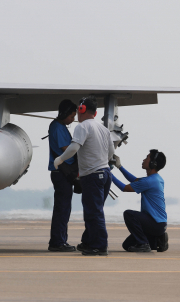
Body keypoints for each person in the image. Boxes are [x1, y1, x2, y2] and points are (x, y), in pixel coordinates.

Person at [54, 96, 114, 256]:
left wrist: (60, 159)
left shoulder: (82, 127)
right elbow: (111, 153)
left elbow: (74, 148)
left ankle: (100, 246)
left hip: (93, 176)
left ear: (82, 109)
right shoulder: (103, 129)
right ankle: (88, 242)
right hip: (106, 173)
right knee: (94, 211)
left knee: (93, 213)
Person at [110, 151, 168, 252]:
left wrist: (108, 173)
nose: (144, 160)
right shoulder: (156, 178)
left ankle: (143, 244)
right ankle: (158, 241)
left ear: (153, 163)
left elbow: (124, 188)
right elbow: (134, 180)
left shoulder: (149, 181)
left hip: (155, 223)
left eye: (147, 158)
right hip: (159, 224)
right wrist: (119, 166)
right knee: (127, 245)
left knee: (129, 214)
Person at [47, 99, 78, 252]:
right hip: (61, 173)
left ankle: (60, 240)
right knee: (62, 208)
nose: (73, 119)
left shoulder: (61, 127)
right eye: (72, 116)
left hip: (62, 172)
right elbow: (67, 148)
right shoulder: (57, 128)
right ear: (64, 114)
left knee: (64, 208)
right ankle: (57, 242)